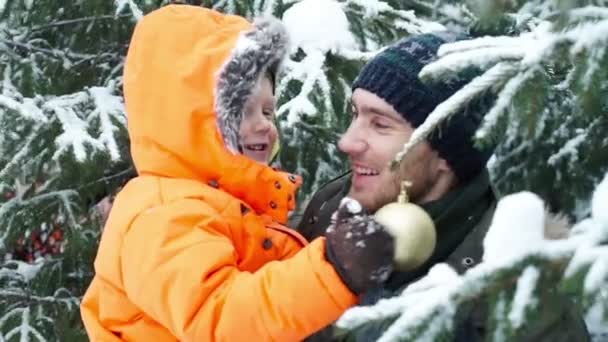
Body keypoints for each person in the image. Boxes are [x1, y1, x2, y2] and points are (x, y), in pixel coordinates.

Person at [80, 4, 398, 341]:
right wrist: (333, 270)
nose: (264, 124)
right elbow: (221, 318)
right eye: (242, 110)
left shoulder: (219, 204)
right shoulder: (164, 216)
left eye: (267, 110)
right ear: (190, 123)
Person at [297, 33, 591, 341]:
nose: (346, 142)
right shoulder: (323, 213)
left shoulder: (518, 299)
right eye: (356, 113)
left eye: (380, 124)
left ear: (446, 156)